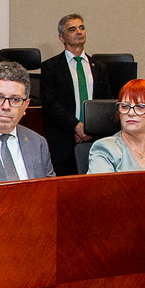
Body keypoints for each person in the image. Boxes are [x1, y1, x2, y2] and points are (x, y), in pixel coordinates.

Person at [41, 12, 98, 177]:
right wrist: (76, 126)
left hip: (94, 141)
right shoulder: (51, 67)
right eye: (72, 29)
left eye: (82, 28)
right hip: (62, 140)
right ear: (61, 37)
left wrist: (89, 129)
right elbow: (50, 104)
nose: (79, 32)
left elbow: (103, 103)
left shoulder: (98, 67)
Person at [85, 80, 145, 173]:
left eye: (140, 107)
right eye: (125, 106)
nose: (130, 113)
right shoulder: (104, 148)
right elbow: (101, 189)